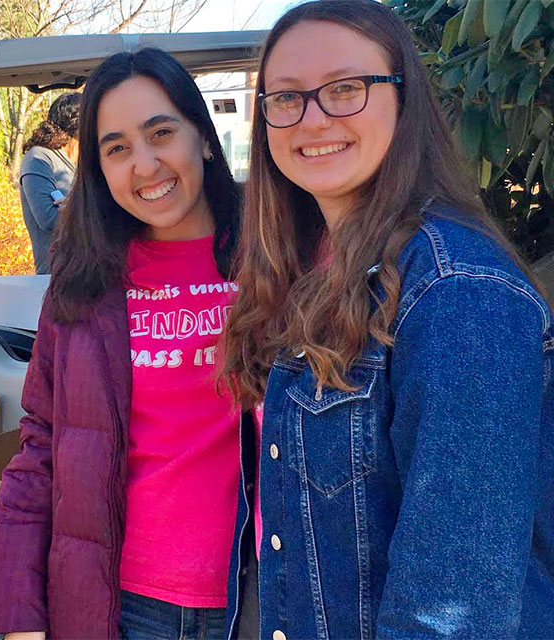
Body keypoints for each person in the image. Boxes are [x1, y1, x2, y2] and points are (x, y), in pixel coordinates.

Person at [221, 1, 554, 638]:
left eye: (345, 89)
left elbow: (453, 617)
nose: (312, 118)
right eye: (286, 97)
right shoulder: (318, 273)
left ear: (404, 100)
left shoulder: (459, 295)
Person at [0, 47, 256, 640]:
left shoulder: (277, 259)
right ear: (100, 171)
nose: (146, 165)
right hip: (123, 603)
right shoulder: (84, 284)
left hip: (259, 597)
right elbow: (41, 446)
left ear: (203, 138)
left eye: (162, 132)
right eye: (117, 148)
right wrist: (17, 614)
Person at [18, 92, 80, 274]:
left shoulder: (88, 163)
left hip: (98, 275)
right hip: (59, 279)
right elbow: (50, 219)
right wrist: (90, 207)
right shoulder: (39, 158)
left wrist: (73, 206)